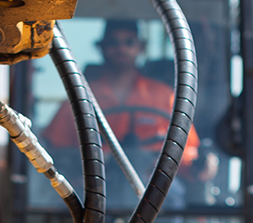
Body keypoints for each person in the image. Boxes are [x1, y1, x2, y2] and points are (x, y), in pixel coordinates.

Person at [44, 18, 199, 165]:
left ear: (141, 47)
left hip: (155, 186)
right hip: (96, 186)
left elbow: (189, 153)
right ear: (101, 48)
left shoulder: (165, 97)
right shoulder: (80, 97)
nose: (121, 48)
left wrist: (198, 165)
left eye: (129, 42)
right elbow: (56, 151)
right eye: (113, 43)